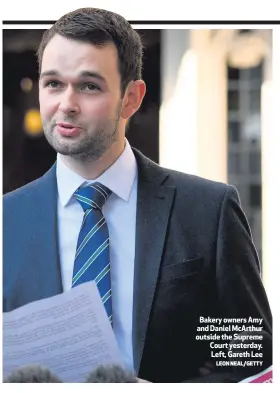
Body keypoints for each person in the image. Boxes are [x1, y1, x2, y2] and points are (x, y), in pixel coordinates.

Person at [3, 7, 272, 383]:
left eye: (89, 85)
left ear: (131, 98)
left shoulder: (207, 211)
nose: (66, 103)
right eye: (53, 83)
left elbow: (251, 356)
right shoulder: (7, 221)